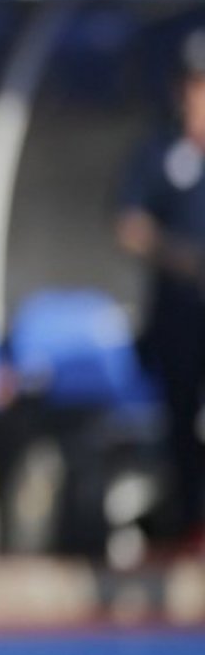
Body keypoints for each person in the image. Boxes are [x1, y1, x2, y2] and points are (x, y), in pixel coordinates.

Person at [115, 27, 205, 554]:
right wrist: (180, 257)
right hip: (178, 315)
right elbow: (129, 221)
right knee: (179, 422)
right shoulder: (160, 150)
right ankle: (187, 524)